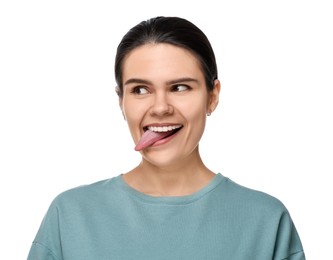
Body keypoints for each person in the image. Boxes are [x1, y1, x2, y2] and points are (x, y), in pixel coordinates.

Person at [27, 16, 305, 260]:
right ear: (120, 101)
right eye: (140, 90)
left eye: (180, 87)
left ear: (212, 96)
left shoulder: (266, 221)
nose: (160, 107)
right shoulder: (70, 216)